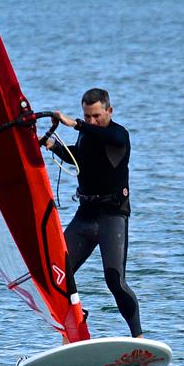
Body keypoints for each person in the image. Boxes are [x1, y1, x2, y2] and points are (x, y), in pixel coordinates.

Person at [45, 88, 143, 339]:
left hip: (112, 218)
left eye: (97, 116)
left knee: (115, 280)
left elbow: (110, 138)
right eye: (87, 116)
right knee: (55, 274)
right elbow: (79, 157)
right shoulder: (88, 135)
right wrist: (52, 144)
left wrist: (75, 124)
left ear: (109, 111)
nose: (91, 121)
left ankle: (139, 338)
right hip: (85, 217)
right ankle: (75, 325)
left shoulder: (118, 135)